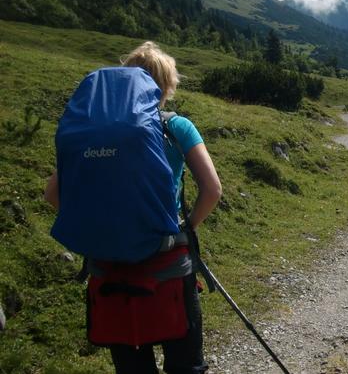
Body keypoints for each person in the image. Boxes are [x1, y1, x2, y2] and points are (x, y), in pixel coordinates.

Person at [44, 41, 222, 374]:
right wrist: (187, 228)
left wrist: (97, 228)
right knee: (186, 366)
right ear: (165, 86)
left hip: (108, 269)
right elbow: (212, 190)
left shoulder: (95, 133)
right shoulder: (175, 127)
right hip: (168, 265)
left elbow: (52, 193)